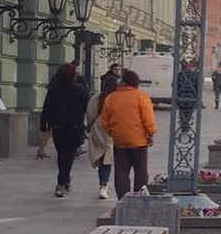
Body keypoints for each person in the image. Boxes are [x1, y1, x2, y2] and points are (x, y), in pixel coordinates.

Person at [101, 69, 156, 199]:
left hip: (120, 141)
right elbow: (148, 118)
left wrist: (113, 133)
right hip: (139, 141)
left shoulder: (111, 98)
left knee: (121, 171)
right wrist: (150, 133)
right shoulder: (141, 97)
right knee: (141, 170)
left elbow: (104, 120)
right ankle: (139, 197)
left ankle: (123, 197)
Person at [40, 61, 89, 197]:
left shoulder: (53, 89)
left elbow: (46, 109)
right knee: (69, 155)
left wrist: (43, 126)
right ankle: (62, 183)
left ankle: (64, 181)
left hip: (58, 126)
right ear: (74, 75)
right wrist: (89, 123)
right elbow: (87, 108)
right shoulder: (80, 89)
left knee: (62, 154)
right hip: (75, 127)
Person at [85, 75, 117, 200]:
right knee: (108, 158)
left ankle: (103, 184)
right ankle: (104, 186)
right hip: (112, 128)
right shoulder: (115, 98)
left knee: (103, 159)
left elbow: (90, 113)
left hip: (98, 128)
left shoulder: (96, 98)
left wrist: (90, 125)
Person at [175, 59, 199, 131]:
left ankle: (183, 126)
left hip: (181, 96)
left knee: (182, 112)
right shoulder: (195, 75)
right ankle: (186, 125)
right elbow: (197, 87)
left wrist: (177, 95)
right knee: (189, 112)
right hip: (191, 97)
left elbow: (175, 85)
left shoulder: (179, 75)